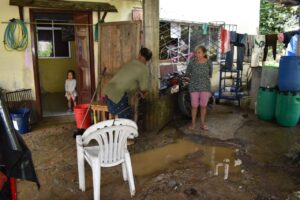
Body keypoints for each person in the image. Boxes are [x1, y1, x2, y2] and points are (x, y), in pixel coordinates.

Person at [104, 47, 152, 119]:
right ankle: (122, 129)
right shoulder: (144, 69)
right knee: (127, 120)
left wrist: (137, 90)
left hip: (108, 93)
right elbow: (144, 88)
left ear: (139, 54)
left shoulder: (131, 62)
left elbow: (127, 80)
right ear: (148, 59)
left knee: (121, 115)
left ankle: (117, 127)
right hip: (117, 97)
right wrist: (144, 93)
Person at [185, 45, 213, 131]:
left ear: (204, 53)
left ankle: (202, 124)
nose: (196, 54)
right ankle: (193, 124)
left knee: (203, 106)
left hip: (205, 87)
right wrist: (190, 80)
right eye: (196, 52)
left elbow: (210, 74)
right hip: (194, 87)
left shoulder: (209, 62)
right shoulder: (192, 62)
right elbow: (187, 73)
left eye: (199, 52)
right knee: (194, 106)